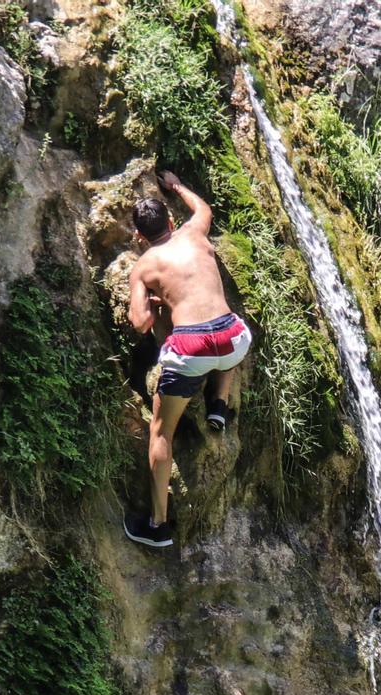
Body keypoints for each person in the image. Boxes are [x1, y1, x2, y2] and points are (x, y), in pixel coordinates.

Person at [123, 169, 253, 549]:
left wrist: (156, 296)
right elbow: (203, 207)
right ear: (172, 222)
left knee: (161, 432)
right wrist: (177, 185)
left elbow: (141, 322)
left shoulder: (144, 265)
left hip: (190, 351)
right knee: (226, 341)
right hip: (235, 339)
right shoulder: (195, 232)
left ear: (138, 236)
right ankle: (218, 404)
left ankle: (158, 525)